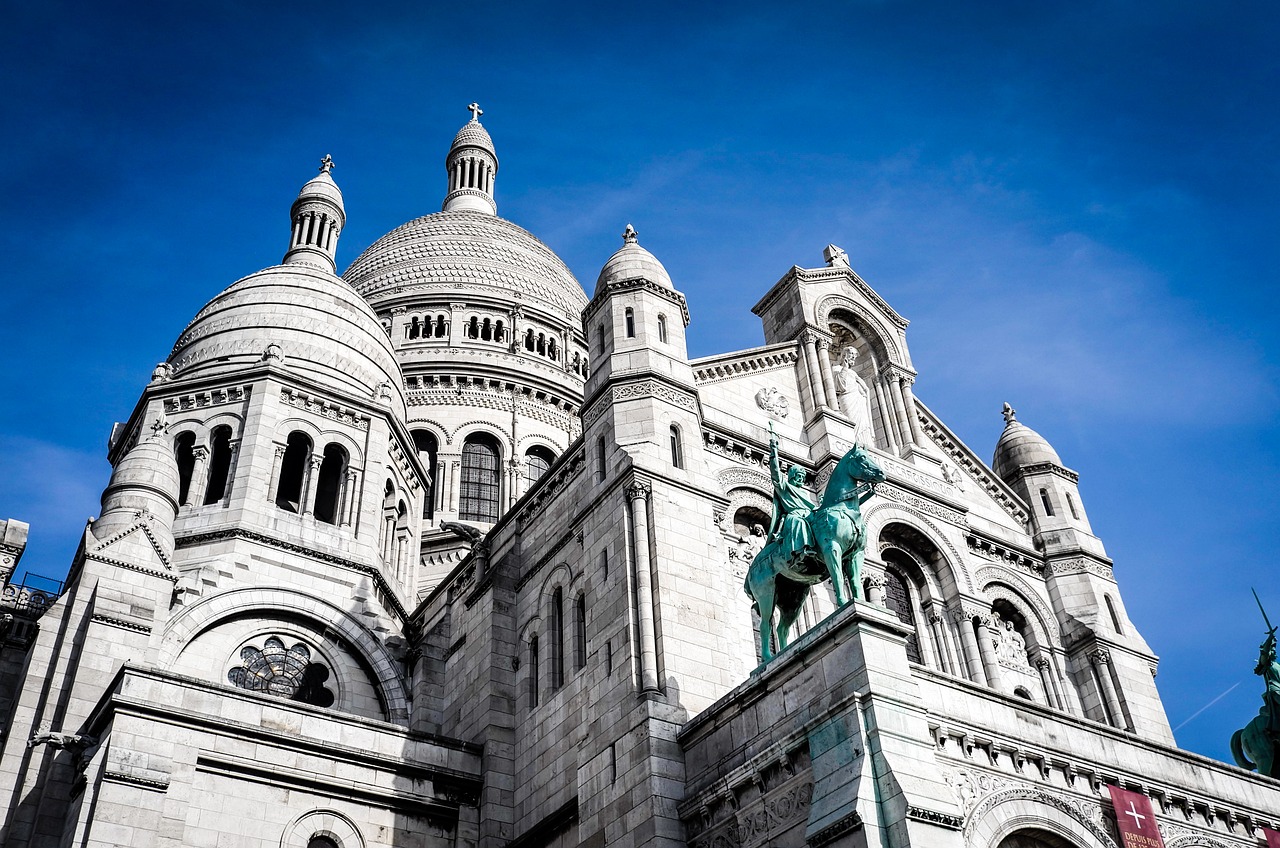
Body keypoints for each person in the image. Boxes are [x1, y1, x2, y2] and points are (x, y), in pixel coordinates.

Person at [765, 430, 816, 566]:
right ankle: (801, 551)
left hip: (808, 515)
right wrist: (774, 451)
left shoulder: (804, 493)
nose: (800, 479)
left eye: (802, 477)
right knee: (799, 522)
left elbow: (811, 507)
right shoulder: (784, 486)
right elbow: (775, 472)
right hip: (794, 517)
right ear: (792, 476)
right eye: (798, 476)